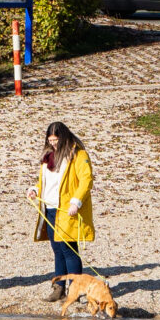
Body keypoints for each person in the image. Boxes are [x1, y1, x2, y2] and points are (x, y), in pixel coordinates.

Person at [31, 120, 96, 301]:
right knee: (57, 249)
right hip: (50, 208)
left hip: (67, 210)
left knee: (69, 250)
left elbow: (86, 180)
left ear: (64, 137)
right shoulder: (48, 156)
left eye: (56, 140)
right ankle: (58, 288)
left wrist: (76, 202)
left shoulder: (78, 155)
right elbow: (45, 181)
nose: (53, 144)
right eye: (50, 140)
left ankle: (76, 291)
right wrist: (35, 190)